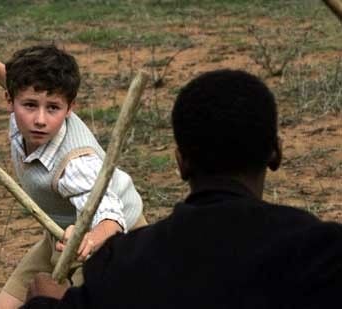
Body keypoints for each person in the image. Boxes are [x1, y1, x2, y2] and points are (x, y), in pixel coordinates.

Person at [21, 69, 342, 308]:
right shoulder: (322, 253)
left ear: (180, 162)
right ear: (276, 153)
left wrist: (47, 304)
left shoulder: (123, 265)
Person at [0, 40, 147, 309]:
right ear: (9, 101)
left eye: (53, 108)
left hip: (108, 243)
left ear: (70, 108)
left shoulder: (77, 164)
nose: (40, 119)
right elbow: (20, 84)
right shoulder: (28, 114)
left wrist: (86, 240)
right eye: (30, 105)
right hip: (58, 235)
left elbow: (111, 218)